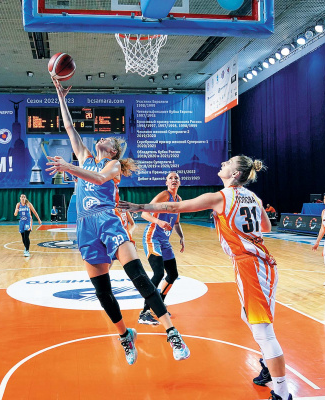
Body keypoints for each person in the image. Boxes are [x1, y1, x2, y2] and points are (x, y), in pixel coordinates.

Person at [119, 155, 291, 400]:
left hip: (250, 265)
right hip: (261, 262)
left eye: (228, 163)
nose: (222, 164)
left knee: (263, 331)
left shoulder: (221, 197)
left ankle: (282, 392)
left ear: (235, 174)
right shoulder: (253, 197)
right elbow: (265, 227)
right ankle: (268, 363)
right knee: (250, 318)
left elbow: (175, 208)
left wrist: (139, 207)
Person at [46, 78, 190, 366]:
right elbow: (70, 127)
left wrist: (68, 167)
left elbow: (99, 179)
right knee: (102, 292)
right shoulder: (85, 158)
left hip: (107, 221)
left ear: (113, 151)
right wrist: (60, 96)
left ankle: (172, 333)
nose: (103, 137)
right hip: (85, 225)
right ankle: (126, 335)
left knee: (138, 276)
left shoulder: (111, 165)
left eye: (110, 139)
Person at [137, 172, 185, 326]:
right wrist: (158, 221)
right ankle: (144, 312)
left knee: (173, 274)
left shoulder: (179, 200)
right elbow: (144, 213)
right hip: (152, 237)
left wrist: (181, 237)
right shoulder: (165, 195)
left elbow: (176, 222)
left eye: (176, 178)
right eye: (171, 178)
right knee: (158, 273)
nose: (174, 180)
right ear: (166, 182)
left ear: (180, 182)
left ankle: (159, 305)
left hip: (164, 241)